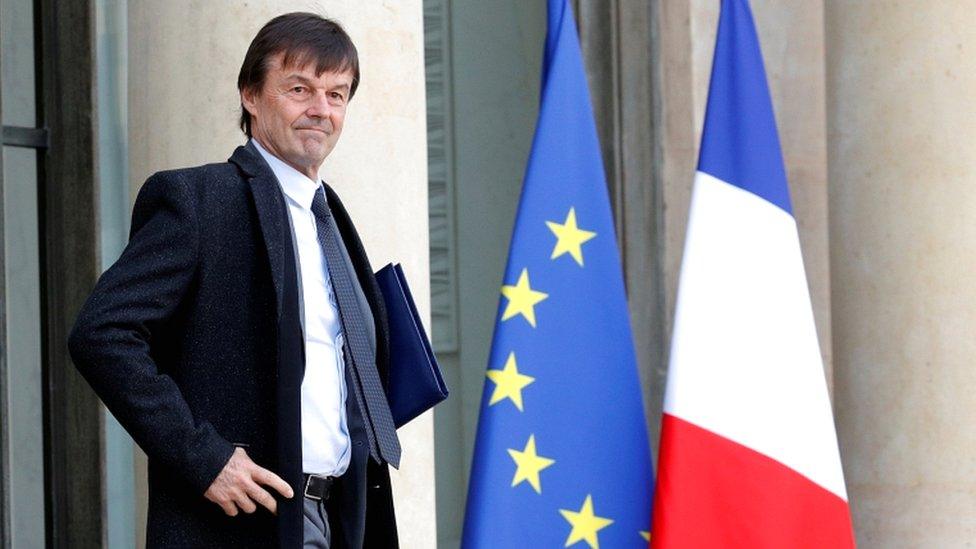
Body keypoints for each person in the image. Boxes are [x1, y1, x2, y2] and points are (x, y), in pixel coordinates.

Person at [68, 12, 401, 548]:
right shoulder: (198, 200)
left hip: (344, 514)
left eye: (337, 95)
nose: (321, 110)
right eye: (300, 89)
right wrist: (203, 459)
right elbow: (102, 334)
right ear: (251, 94)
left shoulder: (332, 219)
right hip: (248, 523)